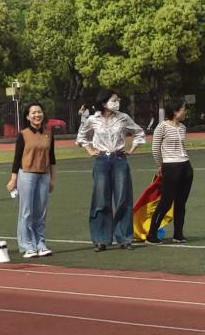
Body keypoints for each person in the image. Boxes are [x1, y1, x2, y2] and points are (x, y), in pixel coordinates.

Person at [76, 89, 145, 251]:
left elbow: (139, 132)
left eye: (118, 99)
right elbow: (81, 136)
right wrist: (91, 151)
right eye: (114, 99)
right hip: (101, 161)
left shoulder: (123, 117)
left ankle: (124, 238)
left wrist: (131, 150)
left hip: (119, 159)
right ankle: (101, 239)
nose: (117, 102)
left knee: (123, 199)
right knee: (101, 200)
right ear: (104, 103)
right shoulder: (93, 119)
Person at [7, 102, 57, 258]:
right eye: (33, 112)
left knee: (41, 212)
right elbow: (17, 158)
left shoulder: (48, 134)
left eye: (39, 112)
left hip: (44, 175)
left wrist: (52, 179)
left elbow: (52, 158)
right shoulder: (23, 134)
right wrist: (13, 179)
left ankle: (40, 244)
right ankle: (27, 245)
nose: (37, 115)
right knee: (27, 212)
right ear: (28, 116)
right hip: (26, 175)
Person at [148, 97, 193, 244]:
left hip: (185, 166)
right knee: (166, 203)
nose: (185, 112)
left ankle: (178, 234)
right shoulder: (162, 127)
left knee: (181, 203)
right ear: (174, 111)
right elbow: (155, 149)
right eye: (183, 109)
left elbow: (183, 148)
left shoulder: (182, 127)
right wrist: (161, 165)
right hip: (170, 167)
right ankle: (151, 235)